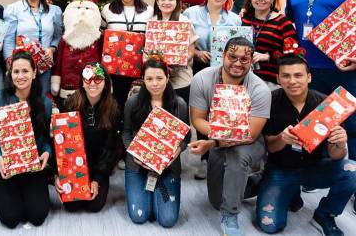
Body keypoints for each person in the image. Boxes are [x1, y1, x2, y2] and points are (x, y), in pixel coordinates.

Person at [256, 44, 356, 235]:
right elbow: (270, 147)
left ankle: (325, 214)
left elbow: (337, 156)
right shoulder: (269, 101)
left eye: (298, 75)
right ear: (278, 79)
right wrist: (281, 138)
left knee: (352, 170)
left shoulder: (328, 104)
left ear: (309, 77)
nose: (292, 81)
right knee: (270, 226)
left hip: (314, 167)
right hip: (281, 169)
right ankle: (289, 192)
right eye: (286, 76)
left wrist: (340, 143)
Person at [188, 37, 271, 236]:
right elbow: (197, 119)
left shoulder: (260, 89)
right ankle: (264, 182)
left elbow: (251, 133)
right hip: (217, 137)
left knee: (237, 156)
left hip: (250, 140)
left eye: (244, 59)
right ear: (222, 56)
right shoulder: (202, 78)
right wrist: (218, 139)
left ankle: (230, 214)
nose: (237, 63)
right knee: (216, 200)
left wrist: (214, 141)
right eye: (232, 57)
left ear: (252, 61)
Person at [286, 0, 356, 163]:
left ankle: (352, 175)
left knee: (351, 122)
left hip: (345, 68)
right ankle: (315, 170)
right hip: (306, 70)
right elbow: (288, 23)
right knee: (313, 122)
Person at [0, 51, 52, 228]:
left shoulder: (44, 104)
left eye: (25, 71)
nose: (20, 76)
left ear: (34, 72)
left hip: (31, 164)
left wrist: (46, 152)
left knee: (37, 216)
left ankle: (24, 191)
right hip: (2, 164)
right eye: (16, 71)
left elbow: (45, 138)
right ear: (10, 73)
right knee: (11, 219)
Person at [123, 56, 189, 228]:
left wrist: (177, 152)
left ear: (167, 78)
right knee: (139, 216)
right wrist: (134, 153)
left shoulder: (179, 104)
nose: (155, 83)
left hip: (167, 168)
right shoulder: (133, 102)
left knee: (167, 220)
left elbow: (186, 137)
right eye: (149, 79)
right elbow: (126, 132)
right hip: (137, 166)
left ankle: (155, 197)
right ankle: (145, 197)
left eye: (159, 78)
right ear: (143, 80)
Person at [56, 62, 121, 212]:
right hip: (73, 166)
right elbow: (61, 143)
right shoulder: (69, 104)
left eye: (98, 79)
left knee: (94, 206)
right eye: (88, 79)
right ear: (82, 82)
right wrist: (60, 175)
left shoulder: (113, 108)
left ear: (106, 83)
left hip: (98, 166)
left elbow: (111, 147)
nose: (92, 83)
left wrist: (98, 179)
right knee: (71, 206)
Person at [3, 0, 63, 97]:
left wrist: (52, 49)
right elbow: (8, 39)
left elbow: (58, 36)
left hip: (44, 67)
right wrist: (10, 64)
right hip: (21, 67)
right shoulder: (13, 9)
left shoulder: (54, 11)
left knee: (42, 103)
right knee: (21, 103)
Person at [101, 0, 153, 111]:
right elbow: (101, 34)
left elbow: (152, 38)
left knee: (139, 103)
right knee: (116, 102)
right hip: (115, 68)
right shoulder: (107, 9)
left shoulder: (149, 10)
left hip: (140, 66)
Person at [51, 0, 103, 105]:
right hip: (67, 87)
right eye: (78, 9)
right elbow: (58, 63)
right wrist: (55, 81)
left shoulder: (98, 39)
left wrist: (107, 82)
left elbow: (104, 62)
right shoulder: (65, 40)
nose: (82, 13)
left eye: (86, 9)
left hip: (92, 87)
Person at [145, 0, 198, 103]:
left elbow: (191, 51)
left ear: (177, 1)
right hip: (157, 80)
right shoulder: (152, 22)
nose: (166, 2)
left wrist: (176, 62)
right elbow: (147, 50)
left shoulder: (185, 22)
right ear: (157, 2)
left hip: (181, 79)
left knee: (179, 112)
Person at [241, 0, 298, 88]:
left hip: (270, 82)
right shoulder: (244, 19)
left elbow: (294, 52)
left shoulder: (283, 22)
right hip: (243, 78)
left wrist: (268, 56)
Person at [183, 0, 241, 74]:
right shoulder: (190, 13)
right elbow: (181, 43)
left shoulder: (235, 19)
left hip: (224, 70)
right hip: (195, 68)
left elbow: (238, 47)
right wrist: (197, 53)